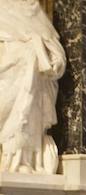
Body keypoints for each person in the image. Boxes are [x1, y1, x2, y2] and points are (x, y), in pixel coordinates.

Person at [0, 0, 66, 174]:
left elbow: (54, 46)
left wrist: (56, 60)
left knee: (30, 110)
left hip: (34, 80)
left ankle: (25, 158)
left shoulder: (33, 9)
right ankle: (10, 157)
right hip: (8, 75)